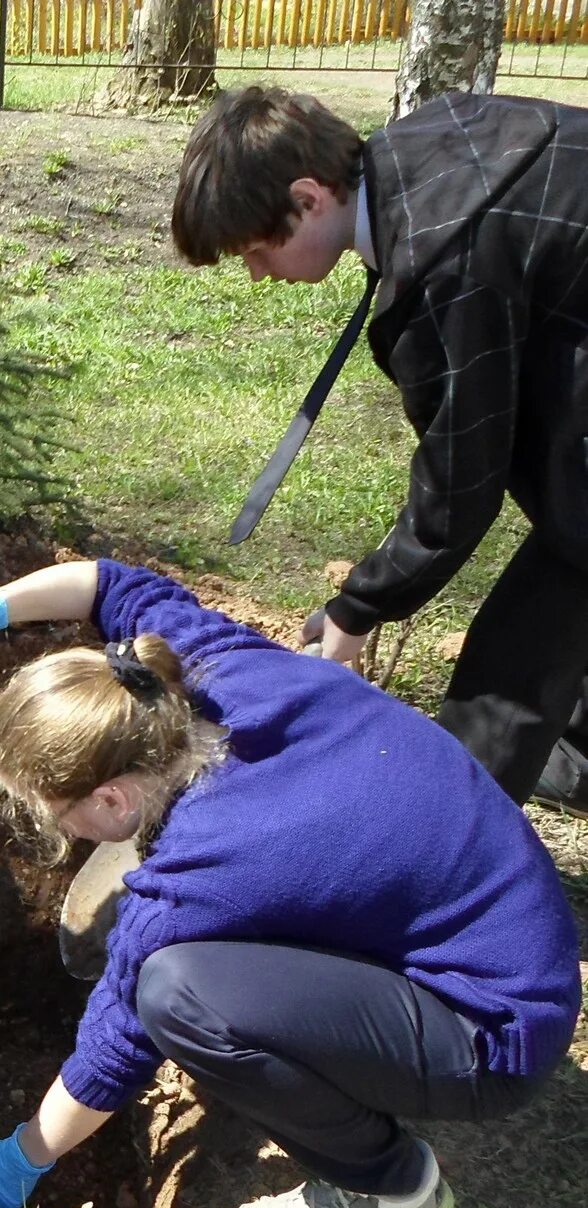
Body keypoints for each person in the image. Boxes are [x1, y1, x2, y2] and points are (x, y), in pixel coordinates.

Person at [0, 560, 579, 1208]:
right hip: (502, 916)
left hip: (495, 1026)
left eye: (55, 812)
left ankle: (390, 1188)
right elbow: (109, 583)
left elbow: (115, 1043)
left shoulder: (196, 876)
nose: (54, 828)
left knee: (176, 993)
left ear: (110, 802)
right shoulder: (201, 664)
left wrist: (23, 1156)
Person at [171, 86, 588, 818]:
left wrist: (358, 608)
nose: (259, 274)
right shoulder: (424, 145)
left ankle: (448, 839)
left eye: (258, 250)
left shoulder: (446, 257)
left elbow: (462, 480)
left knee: (518, 653)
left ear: (307, 197)